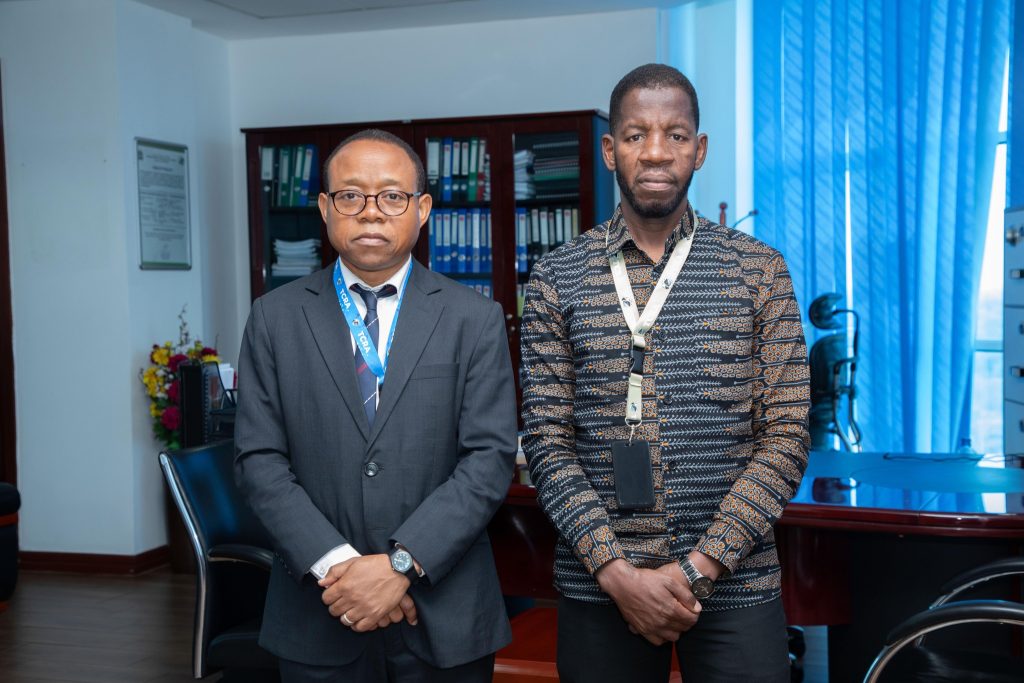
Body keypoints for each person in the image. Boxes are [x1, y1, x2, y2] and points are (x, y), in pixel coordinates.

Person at [520, 63, 810, 683]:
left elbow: (786, 436)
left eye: (675, 135)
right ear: (610, 150)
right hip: (600, 585)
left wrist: (699, 567)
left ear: (699, 150)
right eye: (636, 135)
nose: (655, 152)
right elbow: (546, 441)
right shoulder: (556, 277)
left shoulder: (758, 270)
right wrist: (617, 572)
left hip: (735, 583)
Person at [235, 128, 518, 682]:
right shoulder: (274, 317)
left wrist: (400, 566)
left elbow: (488, 459)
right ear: (324, 208)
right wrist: (345, 571)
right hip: (320, 609)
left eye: (392, 196)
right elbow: (258, 461)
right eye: (350, 196)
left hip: (445, 615)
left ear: (423, 210)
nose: (371, 212)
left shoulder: (474, 318)